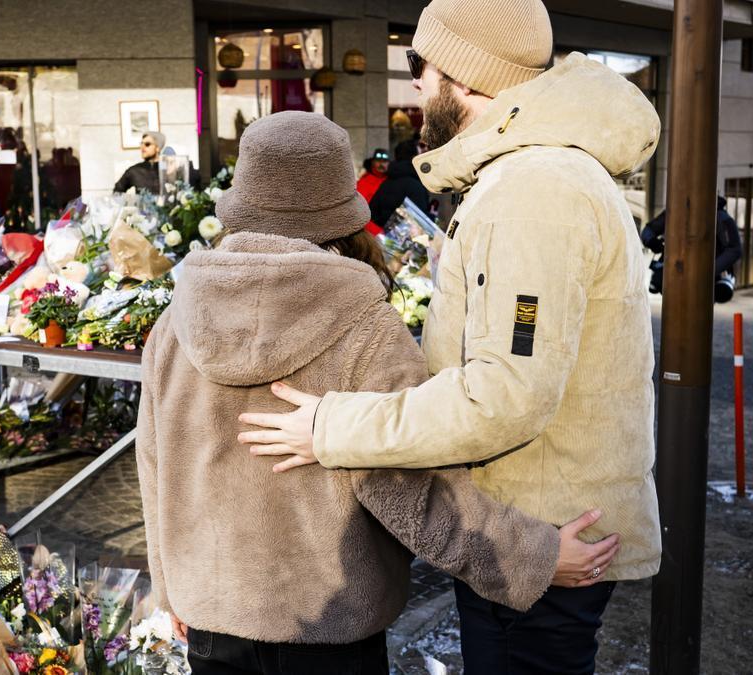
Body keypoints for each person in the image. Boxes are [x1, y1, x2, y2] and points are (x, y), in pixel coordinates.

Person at [237, 1, 662, 672]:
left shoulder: (533, 191)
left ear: (465, 77)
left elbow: (506, 393)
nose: (413, 84)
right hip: (534, 526)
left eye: (419, 64)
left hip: (539, 533)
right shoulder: (530, 177)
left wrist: (332, 425)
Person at [138, 111, 619, 675]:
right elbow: (409, 489)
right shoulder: (364, 326)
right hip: (331, 624)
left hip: (213, 621)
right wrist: (531, 557)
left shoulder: (174, 322)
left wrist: (171, 587)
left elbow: (154, 468)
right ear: (343, 206)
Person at [642, 196, 743, 302]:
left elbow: (734, 249)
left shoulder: (720, 216)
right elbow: (647, 232)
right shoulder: (676, 211)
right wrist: (654, 244)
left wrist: (707, 272)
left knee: (697, 312)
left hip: (702, 284)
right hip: (675, 276)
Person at [368, 142, 431, 228]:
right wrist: (432, 216)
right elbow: (421, 221)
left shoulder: (386, 184)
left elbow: (372, 212)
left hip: (382, 237)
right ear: (414, 158)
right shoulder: (415, 185)